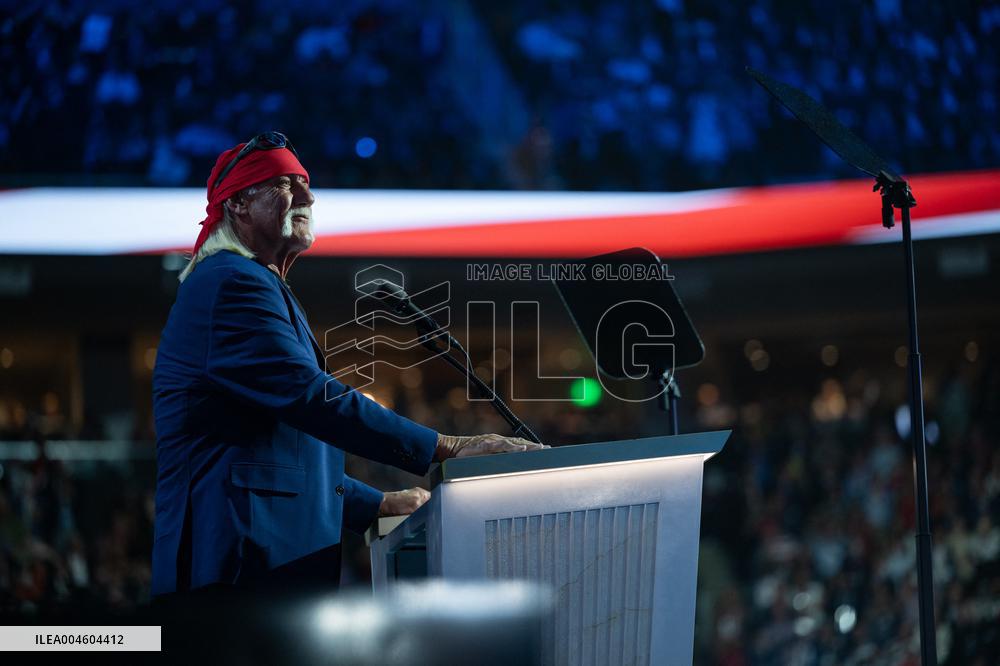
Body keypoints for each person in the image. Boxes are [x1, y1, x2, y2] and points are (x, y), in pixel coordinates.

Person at [151, 131, 542, 596]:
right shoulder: (232, 283)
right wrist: (446, 446)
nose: (308, 197)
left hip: (247, 561)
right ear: (238, 203)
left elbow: (280, 453)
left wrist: (374, 503)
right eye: (285, 184)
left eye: (306, 183)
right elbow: (311, 399)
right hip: (233, 568)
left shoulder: (249, 282)